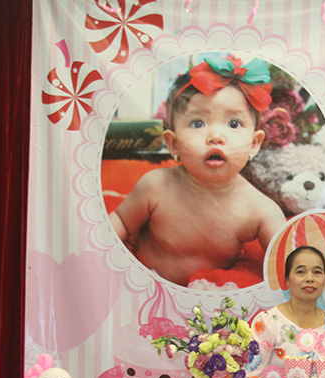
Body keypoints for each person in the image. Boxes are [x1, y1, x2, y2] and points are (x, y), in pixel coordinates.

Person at [109, 55, 286, 286]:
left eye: (233, 124)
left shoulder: (261, 211)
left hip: (212, 301)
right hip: (145, 286)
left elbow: (289, 260)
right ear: (173, 144)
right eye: (198, 123)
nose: (215, 137)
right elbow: (119, 224)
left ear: (254, 144)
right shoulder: (154, 186)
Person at [242, 245, 325, 378]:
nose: (310, 278)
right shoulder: (268, 322)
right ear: (287, 280)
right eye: (301, 272)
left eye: (317, 272)